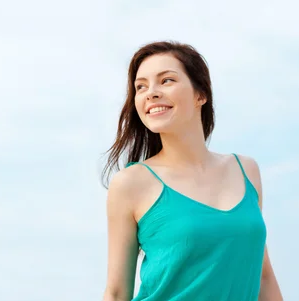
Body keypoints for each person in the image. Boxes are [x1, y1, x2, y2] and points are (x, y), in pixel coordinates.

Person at [101, 41, 283, 301]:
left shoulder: (246, 170)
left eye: (166, 80)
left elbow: (263, 275)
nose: (151, 93)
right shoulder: (131, 183)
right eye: (141, 86)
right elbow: (117, 292)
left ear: (201, 94)